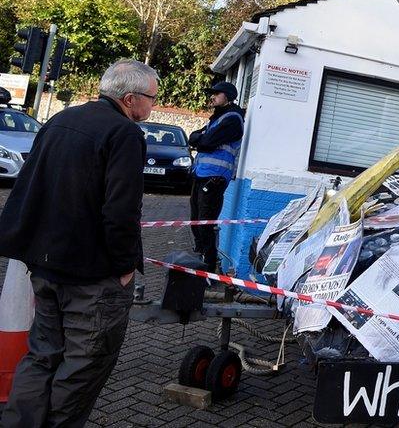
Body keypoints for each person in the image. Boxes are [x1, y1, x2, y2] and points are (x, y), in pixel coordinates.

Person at [0, 59, 157, 427]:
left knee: (42, 354)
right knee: (83, 364)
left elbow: (31, 185)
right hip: (91, 277)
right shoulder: (125, 134)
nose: (153, 106)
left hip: (44, 264)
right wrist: (123, 267)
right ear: (131, 99)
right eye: (151, 98)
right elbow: (121, 211)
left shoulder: (61, 120)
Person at [188, 81, 245, 272]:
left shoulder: (232, 119)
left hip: (215, 179)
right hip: (201, 175)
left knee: (205, 224)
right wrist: (200, 139)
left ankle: (208, 268)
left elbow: (207, 142)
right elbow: (194, 137)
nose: (211, 96)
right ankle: (201, 258)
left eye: (216, 94)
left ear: (227, 97)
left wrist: (201, 140)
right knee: (196, 220)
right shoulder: (216, 118)